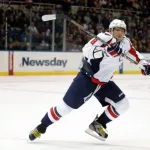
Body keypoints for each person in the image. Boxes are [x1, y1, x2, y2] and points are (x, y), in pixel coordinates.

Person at [29, 19, 150, 141]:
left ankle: (98, 124)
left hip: (104, 83)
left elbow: (135, 55)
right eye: (117, 30)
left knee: (123, 104)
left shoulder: (125, 43)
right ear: (111, 30)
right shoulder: (104, 37)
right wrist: (106, 51)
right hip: (87, 79)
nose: (119, 33)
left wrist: (144, 64)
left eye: (122, 30)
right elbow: (86, 50)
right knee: (65, 108)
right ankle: (41, 127)